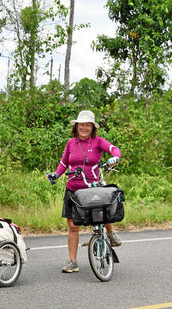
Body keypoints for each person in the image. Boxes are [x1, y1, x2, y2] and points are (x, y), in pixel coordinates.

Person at [47, 110, 122, 273]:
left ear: (92, 128)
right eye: (82, 125)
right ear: (76, 126)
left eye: (88, 125)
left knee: (103, 210)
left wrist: (114, 158)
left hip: (93, 186)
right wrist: (56, 174)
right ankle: (72, 261)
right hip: (73, 188)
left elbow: (114, 149)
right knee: (73, 226)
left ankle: (110, 233)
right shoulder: (70, 143)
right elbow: (63, 163)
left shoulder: (98, 141)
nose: (84, 128)